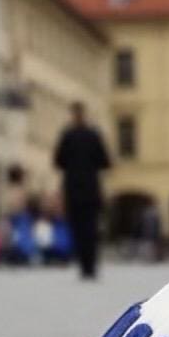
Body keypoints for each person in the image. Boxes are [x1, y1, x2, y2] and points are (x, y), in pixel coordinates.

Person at [53, 102, 112, 279]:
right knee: (90, 229)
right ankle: (90, 265)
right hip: (91, 189)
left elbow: (58, 161)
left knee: (78, 228)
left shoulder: (67, 136)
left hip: (73, 189)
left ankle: (84, 266)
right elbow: (105, 162)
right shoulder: (93, 135)